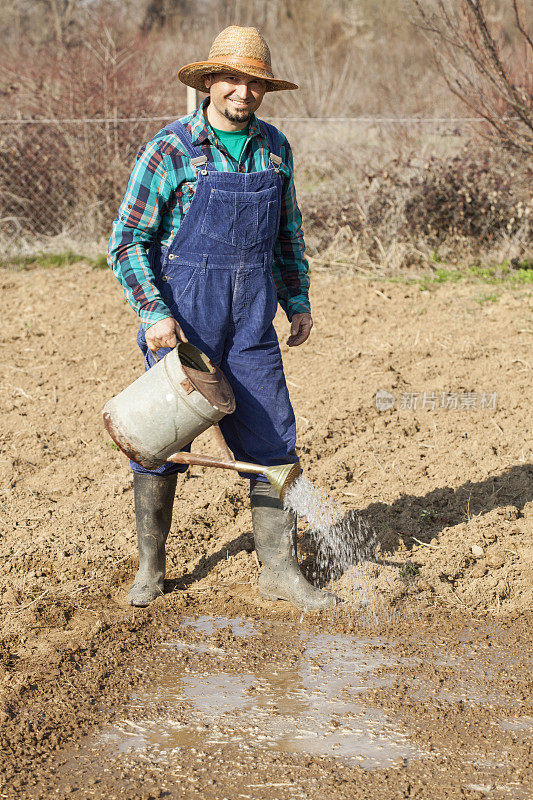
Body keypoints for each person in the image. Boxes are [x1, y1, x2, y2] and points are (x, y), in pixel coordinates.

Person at [108, 26, 337, 612]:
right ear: (209, 81)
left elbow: (288, 234)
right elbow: (128, 240)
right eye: (232, 78)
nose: (244, 91)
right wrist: (154, 311)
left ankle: (279, 572)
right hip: (185, 323)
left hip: (252, 324)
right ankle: (151, 569)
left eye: (255, 82)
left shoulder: (275, 148)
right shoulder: (173, 149)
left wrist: (299, 299)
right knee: (158, 442)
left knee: (276, 446)